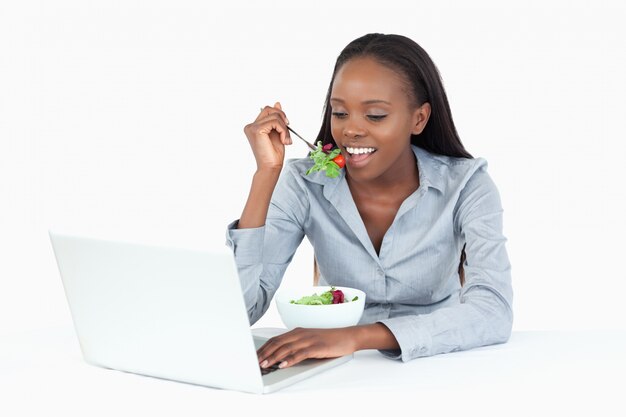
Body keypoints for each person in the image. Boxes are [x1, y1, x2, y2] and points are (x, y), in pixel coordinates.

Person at [225, 33, 513, 370]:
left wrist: (357, 336)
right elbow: (238, 311)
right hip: (332, 369)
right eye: (340, 113)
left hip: (439, 364)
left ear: (418, 119)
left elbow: (493, 312)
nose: (350, 131)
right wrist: (265, 175)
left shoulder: (467, 185)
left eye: (375, 115)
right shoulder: (305, 183)